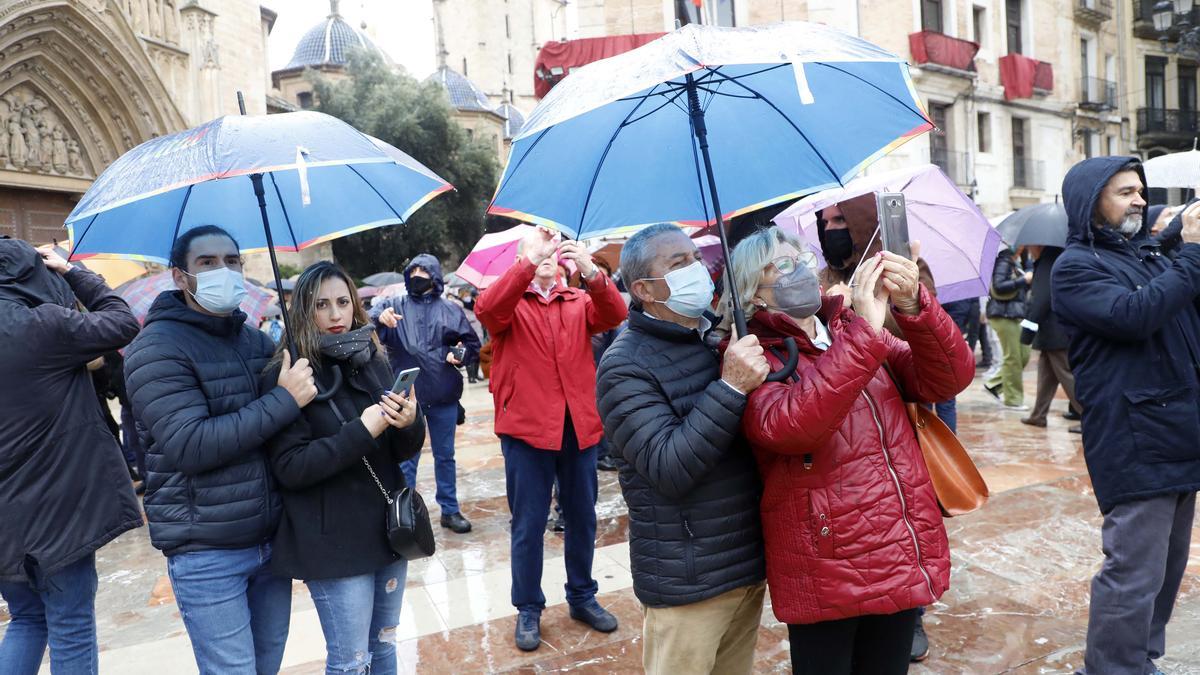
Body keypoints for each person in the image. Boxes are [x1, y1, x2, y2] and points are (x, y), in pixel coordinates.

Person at [731, 226, 974, 674]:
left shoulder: (845, 327)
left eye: (802, 258)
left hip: (894, 543)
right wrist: (863, 329)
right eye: (780, 265)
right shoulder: (753, 354)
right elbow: (792, 427)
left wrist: (913, 305)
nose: (799, 269)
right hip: (826, 557)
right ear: (754, 293)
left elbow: (946, 379)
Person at [123, 225, 318, 674]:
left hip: (271, 541)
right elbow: (191, 445)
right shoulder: (154, 349)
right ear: (180, 276)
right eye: (207, 263)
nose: (223, 271)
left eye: (232, 261)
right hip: (207, 551)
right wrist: (284, 399)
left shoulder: (254, 340)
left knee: (266, 665)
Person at [596, 224, 769, 674]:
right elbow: (669, 466)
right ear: (645, 290)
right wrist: (730, 387)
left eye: (695, 258)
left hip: (744, 563)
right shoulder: (623, 365)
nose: (696, 270)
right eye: (678, 264)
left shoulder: (714, 337)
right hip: (688, 580)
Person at [1051, 157, 1200, 675]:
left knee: (1165, 569)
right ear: (1090, 203)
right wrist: (1195, 252)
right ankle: (1112, 668)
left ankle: (1140, 659)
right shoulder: (1075, 267)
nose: (1140, 199)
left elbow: (1180, 304)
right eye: (1125, 192)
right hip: (1135, 437)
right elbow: (1132, 316)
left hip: (1179, 431)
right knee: (1133, 571)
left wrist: (1185, 238)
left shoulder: (1149, 257)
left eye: (1141, 191)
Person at [261, 262, 425, 675]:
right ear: (302, 311)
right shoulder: (287, 374)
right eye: (321, 305)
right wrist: (363, 430)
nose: (335, 315)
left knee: (385, 645)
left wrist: (409, 422)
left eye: (342, 302)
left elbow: (399, 450)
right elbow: (291, 467)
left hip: (388, 530)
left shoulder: (371, 357)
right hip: (332, 541)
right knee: (351, 662)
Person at [475, 225, 627, 651]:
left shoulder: (578, 300)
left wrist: (593, 275)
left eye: (550, 249)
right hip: (526, 431)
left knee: (582, 516)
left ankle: (582, 595)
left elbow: (615, 315)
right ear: (521, 259)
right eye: (536, 250)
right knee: (528, 523)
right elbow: (487, 310)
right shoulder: (510, 304)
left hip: (577, 426)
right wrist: (527, 260)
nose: (545, 254)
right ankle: (528, 607)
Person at [0, 240, 142, 674]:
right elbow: (122, 321)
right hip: (58, 509)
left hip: (4, 523)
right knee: (70, 623)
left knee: (27, 619)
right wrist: (74, 272)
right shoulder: (42, 324)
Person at [370, 254, 480, 534]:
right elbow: (365, 324)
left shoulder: (451, 310)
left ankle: (450, 510)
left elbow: (469, 343)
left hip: (443, 394)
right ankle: (405, 513)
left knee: (445, 456)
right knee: (407, 458)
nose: (417, 274)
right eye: (413, 270)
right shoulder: (394, 304)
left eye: (424, 270)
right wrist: (378, 318)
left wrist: (460, 355)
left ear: (435, 276)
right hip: (407, 397)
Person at [1019, 246, 1082, 431]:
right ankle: (1038, 415)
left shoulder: (1048, 261)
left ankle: (1090, 417)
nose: (1029, 248)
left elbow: (1041, 300)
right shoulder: (1055, 257)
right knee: (1046, 375)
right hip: (1054, 331)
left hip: (1055, 331)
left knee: (1067, 375)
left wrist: (1027, 332)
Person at [982, 246, 1032, 410]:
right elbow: (998, 286)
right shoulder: (1004, 260)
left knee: (1023, 356)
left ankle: (994, 384)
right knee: (1013, 358)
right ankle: (1013, 399)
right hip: (1003, 314)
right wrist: (1023, 280)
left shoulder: (1020, 261)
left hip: (1017, 314)